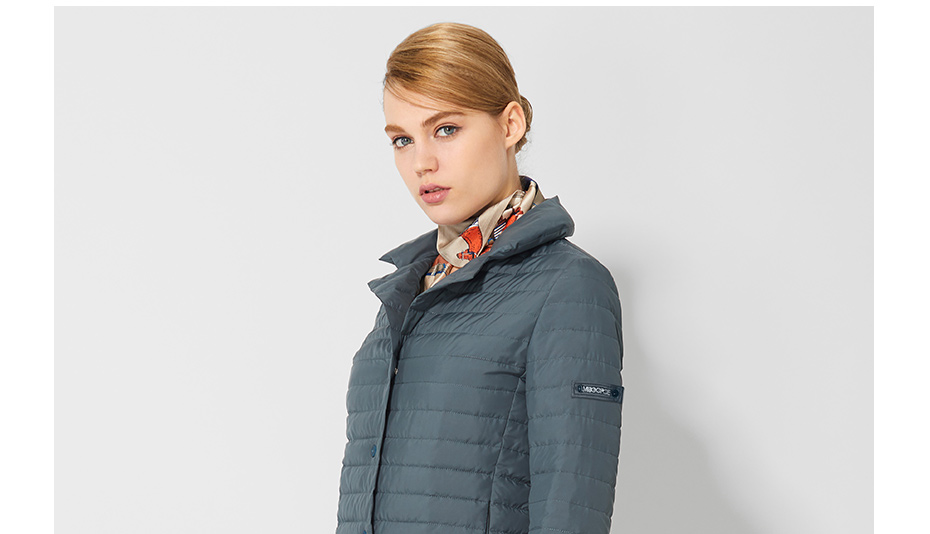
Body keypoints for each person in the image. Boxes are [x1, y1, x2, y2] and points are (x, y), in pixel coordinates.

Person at [336, 22, 625, 534]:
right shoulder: (415, 286)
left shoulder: (569, 287)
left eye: (446, 129)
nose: (421, 162)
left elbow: (572, 507)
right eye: (402, 139)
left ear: (510, 124)